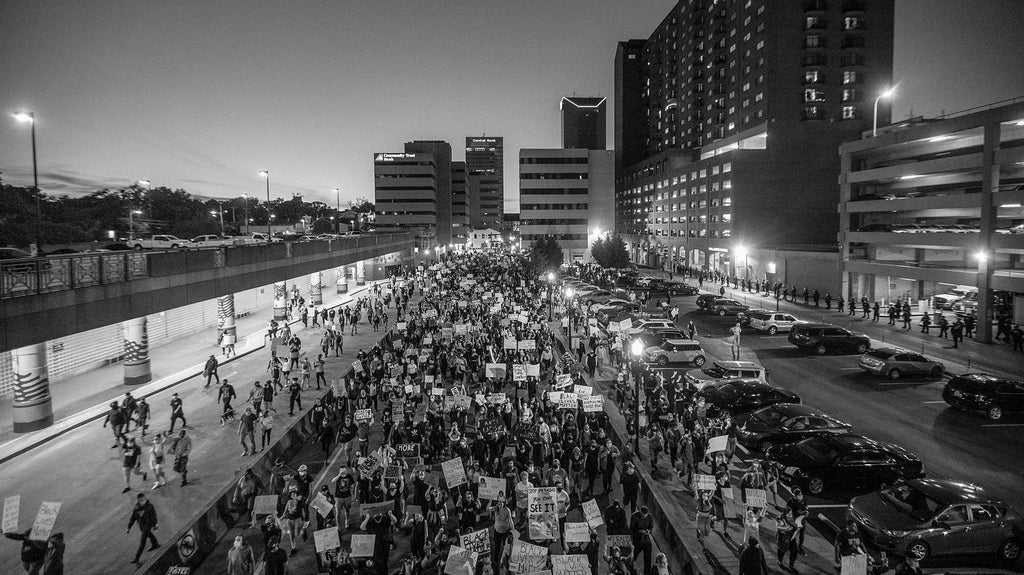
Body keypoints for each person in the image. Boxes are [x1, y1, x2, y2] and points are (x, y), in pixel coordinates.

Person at [126, 493, 159, 565]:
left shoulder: (150, 506)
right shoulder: (136, 508)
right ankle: (155, 544)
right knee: (149, 534)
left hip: (147, 525)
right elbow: (133, 518)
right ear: (138, 501)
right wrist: (129, 527)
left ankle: (137, 558)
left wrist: (155, 524)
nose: (142, 501)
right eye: (140, 500)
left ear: (145, 498)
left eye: (143, 499)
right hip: (141, 525)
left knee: (142, 542)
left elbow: (153, 516)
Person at [630, 506, 654, 575]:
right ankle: (632, 568)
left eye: (646, 515)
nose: (645, 516)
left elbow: (651, 527)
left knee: (648, 558)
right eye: (643, 514)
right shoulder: (634, 516)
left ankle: (647, 573)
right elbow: (632, 528)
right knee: (634, 554)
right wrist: (639, 531)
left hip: (646, 540)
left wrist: (648, 531)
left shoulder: (649, 517)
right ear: (641, 512)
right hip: (637, 540)